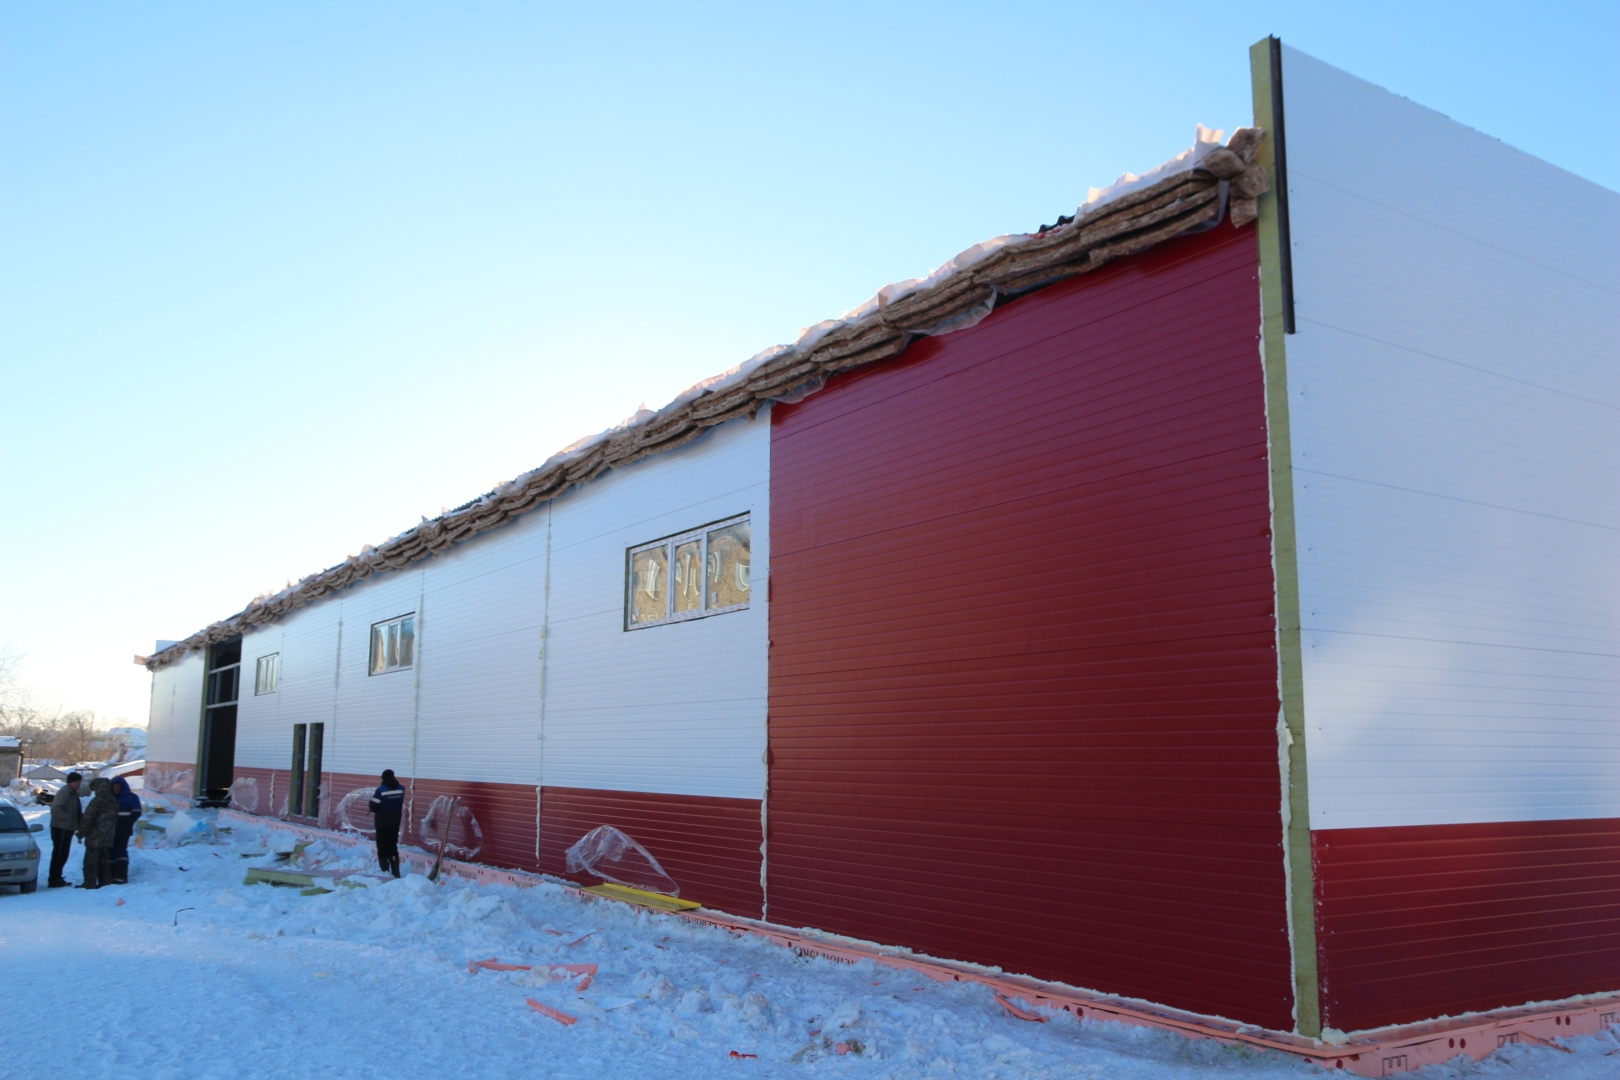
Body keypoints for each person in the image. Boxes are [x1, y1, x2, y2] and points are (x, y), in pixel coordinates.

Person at [76, 777, 117, 890]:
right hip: (108, 837)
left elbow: (87, 819)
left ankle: (90, 883)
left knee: (91, 862)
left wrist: (81, 833)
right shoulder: (113, 800)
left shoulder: (97, 801)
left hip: (95, 838)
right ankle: (105, 883)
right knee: (104, 862)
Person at [46, 771, 84, 887]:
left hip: (67, 828)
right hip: (61, 828)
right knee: (59, 854)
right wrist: (67, 818)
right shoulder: (64, 792)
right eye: (78, 782)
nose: (79, 785)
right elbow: (55, 808)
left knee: (63, 854)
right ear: (72, 782)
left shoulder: (73, 793)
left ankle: (57, 877)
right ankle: (54, 879)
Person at [369, 769, 404, 877]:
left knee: (382, 846)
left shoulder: (381, 790)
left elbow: (374, 807)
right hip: (395, 822)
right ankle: (396, 872)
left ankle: (385, 873)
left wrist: (371, 804)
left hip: (382, 823)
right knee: (392, 846)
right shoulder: (401, 789)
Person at [109, 777, 142, 885]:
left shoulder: (132, 798)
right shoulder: (109, 798)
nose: (115, 788)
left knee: (120, 852)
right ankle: (111, 876)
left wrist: (126, 823)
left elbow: (137, 812)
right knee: (110, 852)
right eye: (113, 786)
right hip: (110, 830)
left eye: (117, 786)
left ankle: (121, 876)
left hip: (123, 830)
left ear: (122, 787)